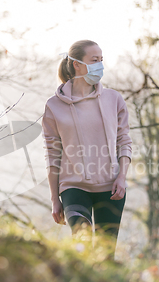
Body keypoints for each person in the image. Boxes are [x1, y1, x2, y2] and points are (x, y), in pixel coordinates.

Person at [41, 39, 133, 258]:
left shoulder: (114, 99)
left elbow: (124, 142)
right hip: (73, 188)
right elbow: (52, 155)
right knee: (83, 248)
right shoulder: (54, 106)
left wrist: (122, 177)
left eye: (101, 60)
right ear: (77, 65)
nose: (100, 65)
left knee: (106, 254)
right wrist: (55, 198)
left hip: (111, 188)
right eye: (94, 60)